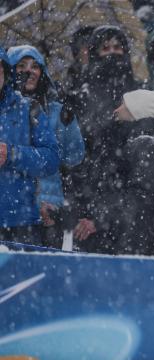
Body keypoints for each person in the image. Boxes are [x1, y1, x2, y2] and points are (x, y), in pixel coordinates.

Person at [68, 25, 154, 254]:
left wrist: (104, 216)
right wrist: (81, 210)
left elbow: (144, 178)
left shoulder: (141, 95)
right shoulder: (77, 97)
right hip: (89, 208)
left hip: (127, 215)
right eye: (105, 48)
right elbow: (74, 161)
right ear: (94, 53)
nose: (113, 52)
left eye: (118, 47)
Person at [7, 45, 85, 249]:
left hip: (51, 208)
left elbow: (74, 157)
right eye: (21, 66)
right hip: (14, 208)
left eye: (35, 66)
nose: (29, 72)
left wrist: (68, 126)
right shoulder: (5, 112)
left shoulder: (57, 110)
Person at [0, 46, 59, 245]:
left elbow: (51, 159)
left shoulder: (29, 109)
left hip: (20, 224)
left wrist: (12, 154)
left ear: (5, 74)